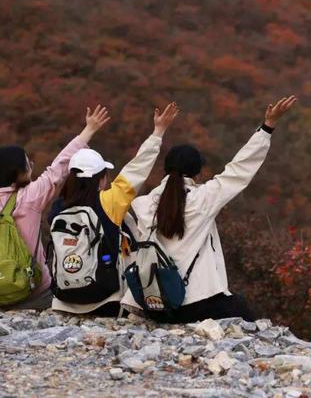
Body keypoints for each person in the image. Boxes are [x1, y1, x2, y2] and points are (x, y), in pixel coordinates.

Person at [120, 96, 297, 323]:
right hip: (192, 305)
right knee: (245, 314)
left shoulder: (143, 204)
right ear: (197, 173)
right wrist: (267, 127)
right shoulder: (203, 199)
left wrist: (157, 133)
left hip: (150, 304)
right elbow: (239, 170)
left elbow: (132, 173)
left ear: (165, 170)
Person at [0, 105, 110, 310]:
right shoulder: (30, 196)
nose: (32, 166)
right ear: (21, 172)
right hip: (35, 294)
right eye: (29, 164)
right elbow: (59, 167)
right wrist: (88, 130)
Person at [49, 102, 179, 316]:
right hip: (105, 299)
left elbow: (58, 164)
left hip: (63, 298)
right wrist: (158, 132)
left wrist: (87, 130)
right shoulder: (109, 202)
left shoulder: (57, 209)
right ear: (100, 178)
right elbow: (137, 169)